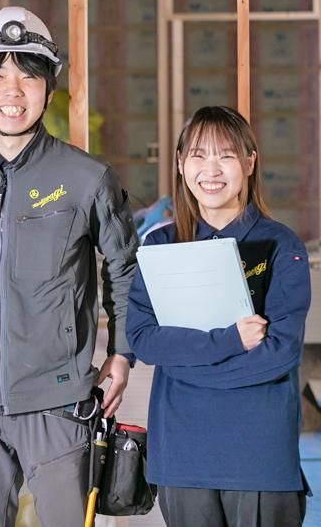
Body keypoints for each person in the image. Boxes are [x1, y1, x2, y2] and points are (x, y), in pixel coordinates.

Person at [0, 6, 139, 527]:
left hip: (59, 400)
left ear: (49, 90)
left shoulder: (86, 177)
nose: (12, 91)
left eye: (28, 76)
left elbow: (124, 268)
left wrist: (123, 352)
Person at [126, 105, 310, 526]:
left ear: (249, 162)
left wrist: (185, 361)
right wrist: (230, 341)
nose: (211, 170)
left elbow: (281, 353)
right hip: (183, 454)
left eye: (225, 155)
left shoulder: (281, 246)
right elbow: (145, 339)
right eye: (198, 155)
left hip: (259, 457)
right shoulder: (161, 246)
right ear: (180, 163)